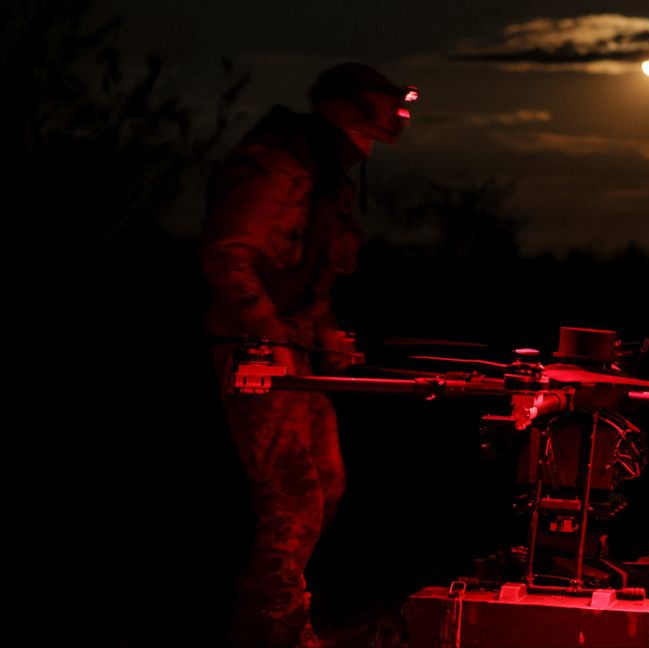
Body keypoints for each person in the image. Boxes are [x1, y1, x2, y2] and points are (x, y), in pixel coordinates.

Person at [199, 61, 416, 648]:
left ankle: (264, 613)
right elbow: (228, 256)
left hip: (290, 348)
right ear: (348, 116)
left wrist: (325, 335)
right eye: (369, 131)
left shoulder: (326, 177)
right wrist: (268, 336)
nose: (370, 148)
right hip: (252, 351)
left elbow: (309, 276)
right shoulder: (278, 163)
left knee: (326, 480)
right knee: (292, 492)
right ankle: (276, 629)